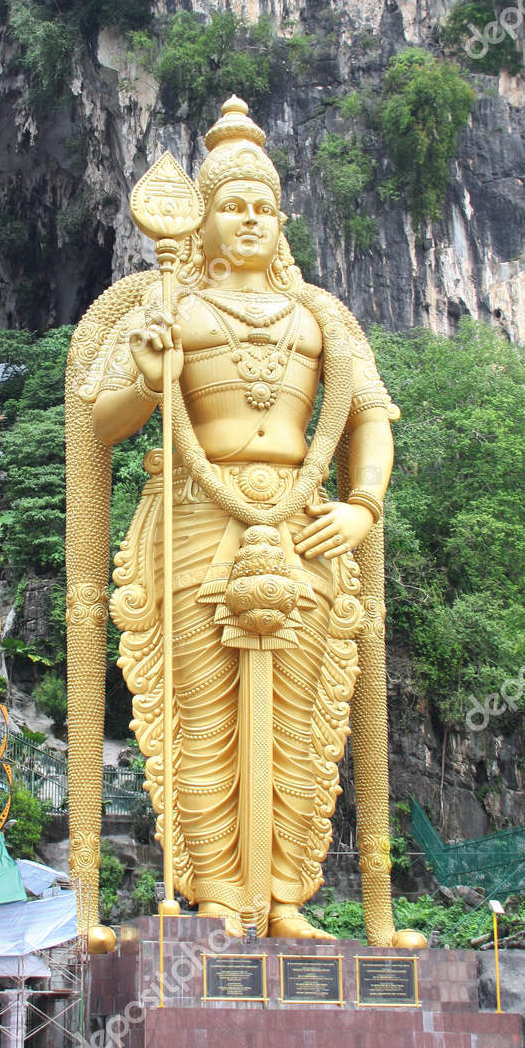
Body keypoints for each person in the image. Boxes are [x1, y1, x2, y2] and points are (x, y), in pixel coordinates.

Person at [66, 96, 424, 949]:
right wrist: (151, 376)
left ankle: (291, 896)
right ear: (205, 220)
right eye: (233, 205)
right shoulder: (168, 307)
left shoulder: (323, 318)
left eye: (263, 206)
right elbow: (100, 418)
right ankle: (220, 897)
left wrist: (361, 505)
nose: (250, 219)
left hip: (305, 523)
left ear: (281, 218)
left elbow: (370, 416)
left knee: (306, 717)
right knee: (200, 718)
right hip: (194, 516)